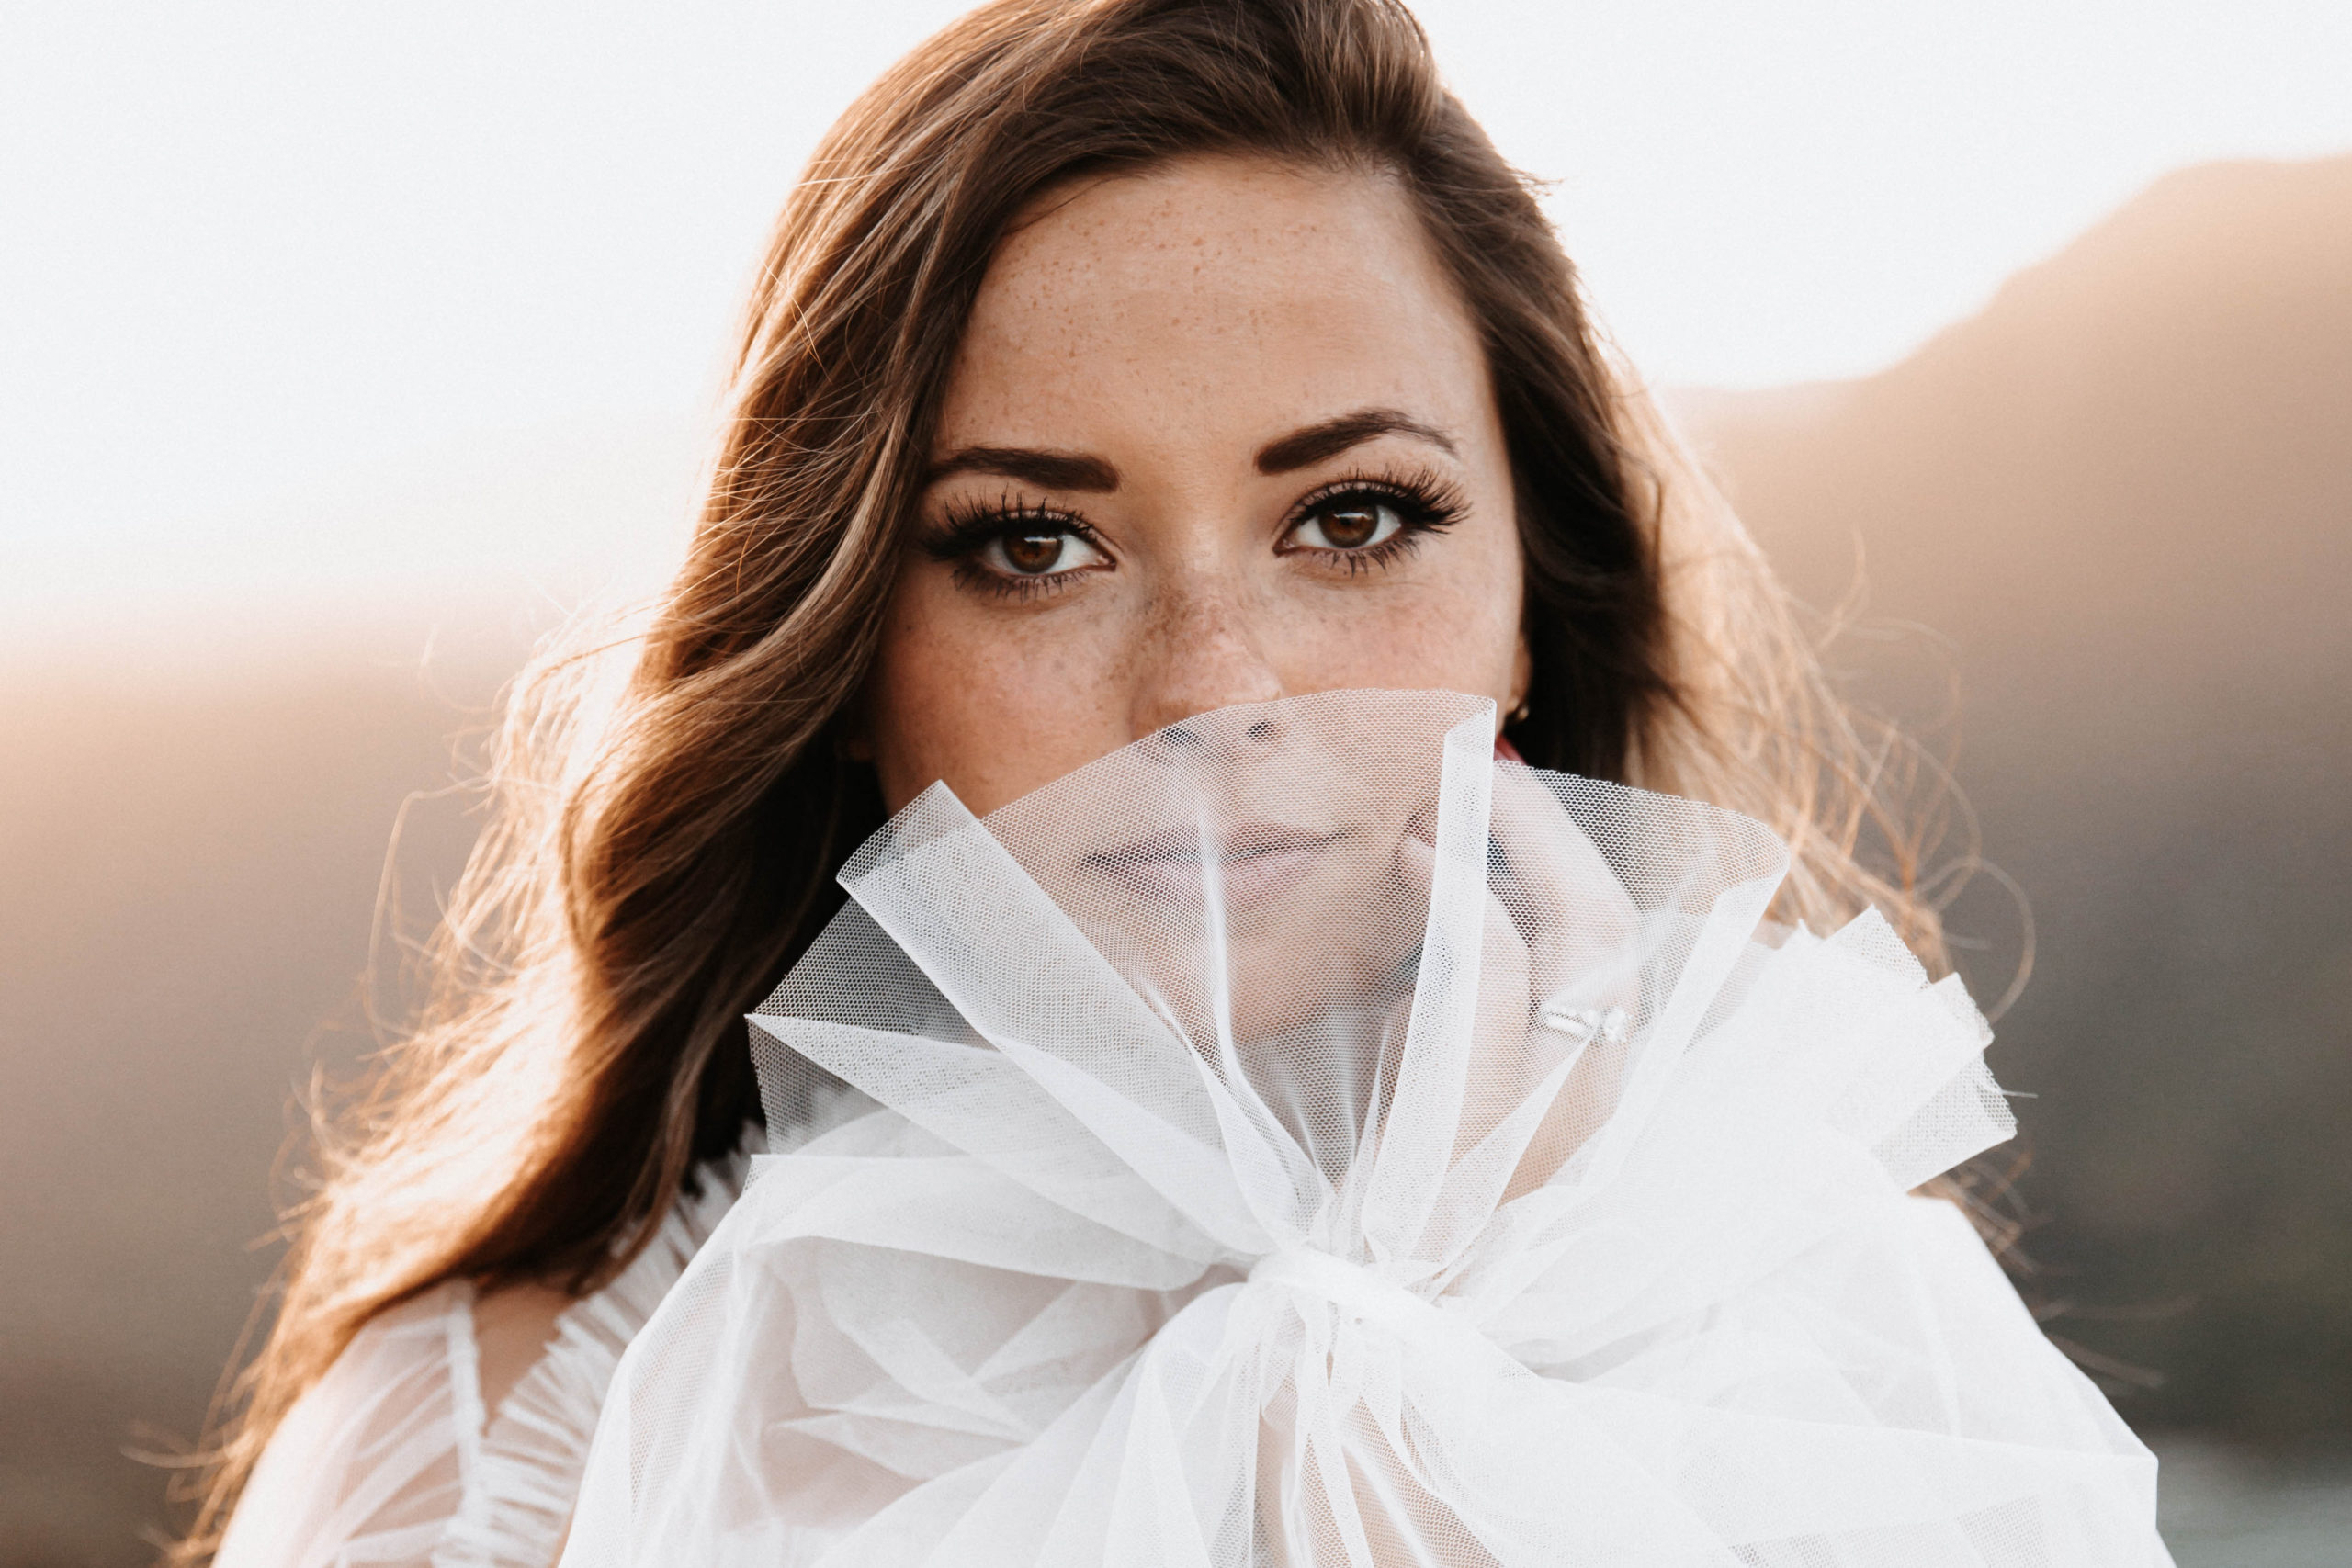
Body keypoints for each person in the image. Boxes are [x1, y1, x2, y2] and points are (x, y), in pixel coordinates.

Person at [192, 1, 2159, 1562]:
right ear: (843, 648)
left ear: (1527, 613)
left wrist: (1406, 1349)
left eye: (1355, 518)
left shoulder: (1830, 1344)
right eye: (1032, 544)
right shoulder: (491, 1461)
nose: (1211, 689)